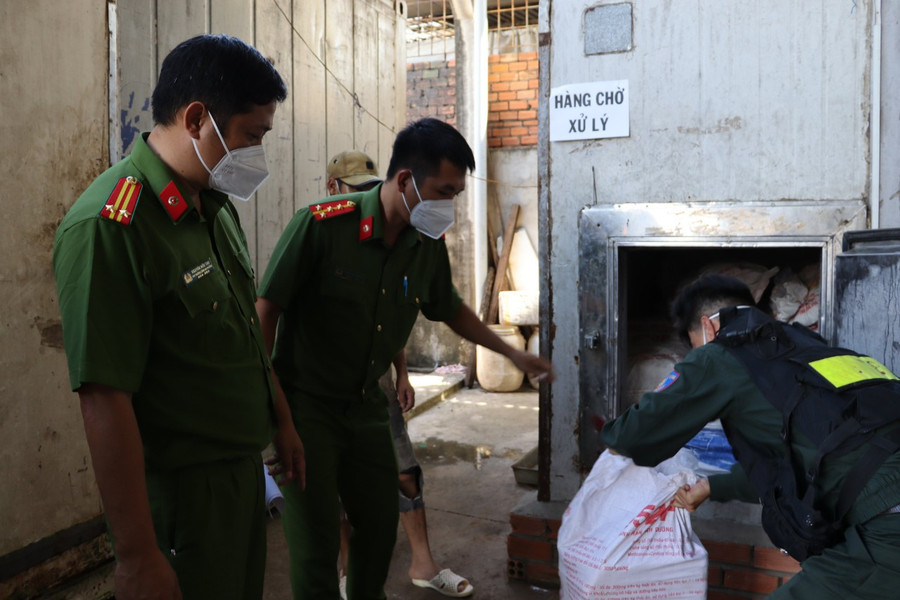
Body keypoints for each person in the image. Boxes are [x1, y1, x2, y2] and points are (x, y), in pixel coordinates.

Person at [256, 118, 554, 600]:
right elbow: (263, 316)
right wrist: (277, 417)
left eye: (457, 192)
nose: (450, 205)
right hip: (306, 409)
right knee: (315, 545)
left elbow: (449, 308)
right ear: (403, 180)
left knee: (378, 527)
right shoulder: (321, 225)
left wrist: (510, 352)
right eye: (443, 190)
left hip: (367, 409)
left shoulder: (424, 246)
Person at [53, 35, 300, 600]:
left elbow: (243, 334)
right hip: (181, 504)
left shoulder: (210, 208)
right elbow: (104, 397)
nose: (256, 154)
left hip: (243, 478)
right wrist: (138, 556)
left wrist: (280, 421)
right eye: (251, 136)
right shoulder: (111, 226)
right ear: (196, 119)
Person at [601, 274, 900, 599]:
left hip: (888, 523)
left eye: (695, 343)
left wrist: (602, 437)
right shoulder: (804, 345)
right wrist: (711, 486)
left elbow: (631, 439)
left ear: (708, 327)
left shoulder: (721, 353)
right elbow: (791, 459)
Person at [323, 151, 474, 599]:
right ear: (332, 188)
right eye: (355, 188)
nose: (366, 196)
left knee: (405, 471)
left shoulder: (383, 241)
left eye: (371, 187)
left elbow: (390, 320)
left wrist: (402, 374)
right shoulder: (319, 236)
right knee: (339, 487)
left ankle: (423, 564)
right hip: (326, 390)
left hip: (377, 384)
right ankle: (349, 573)